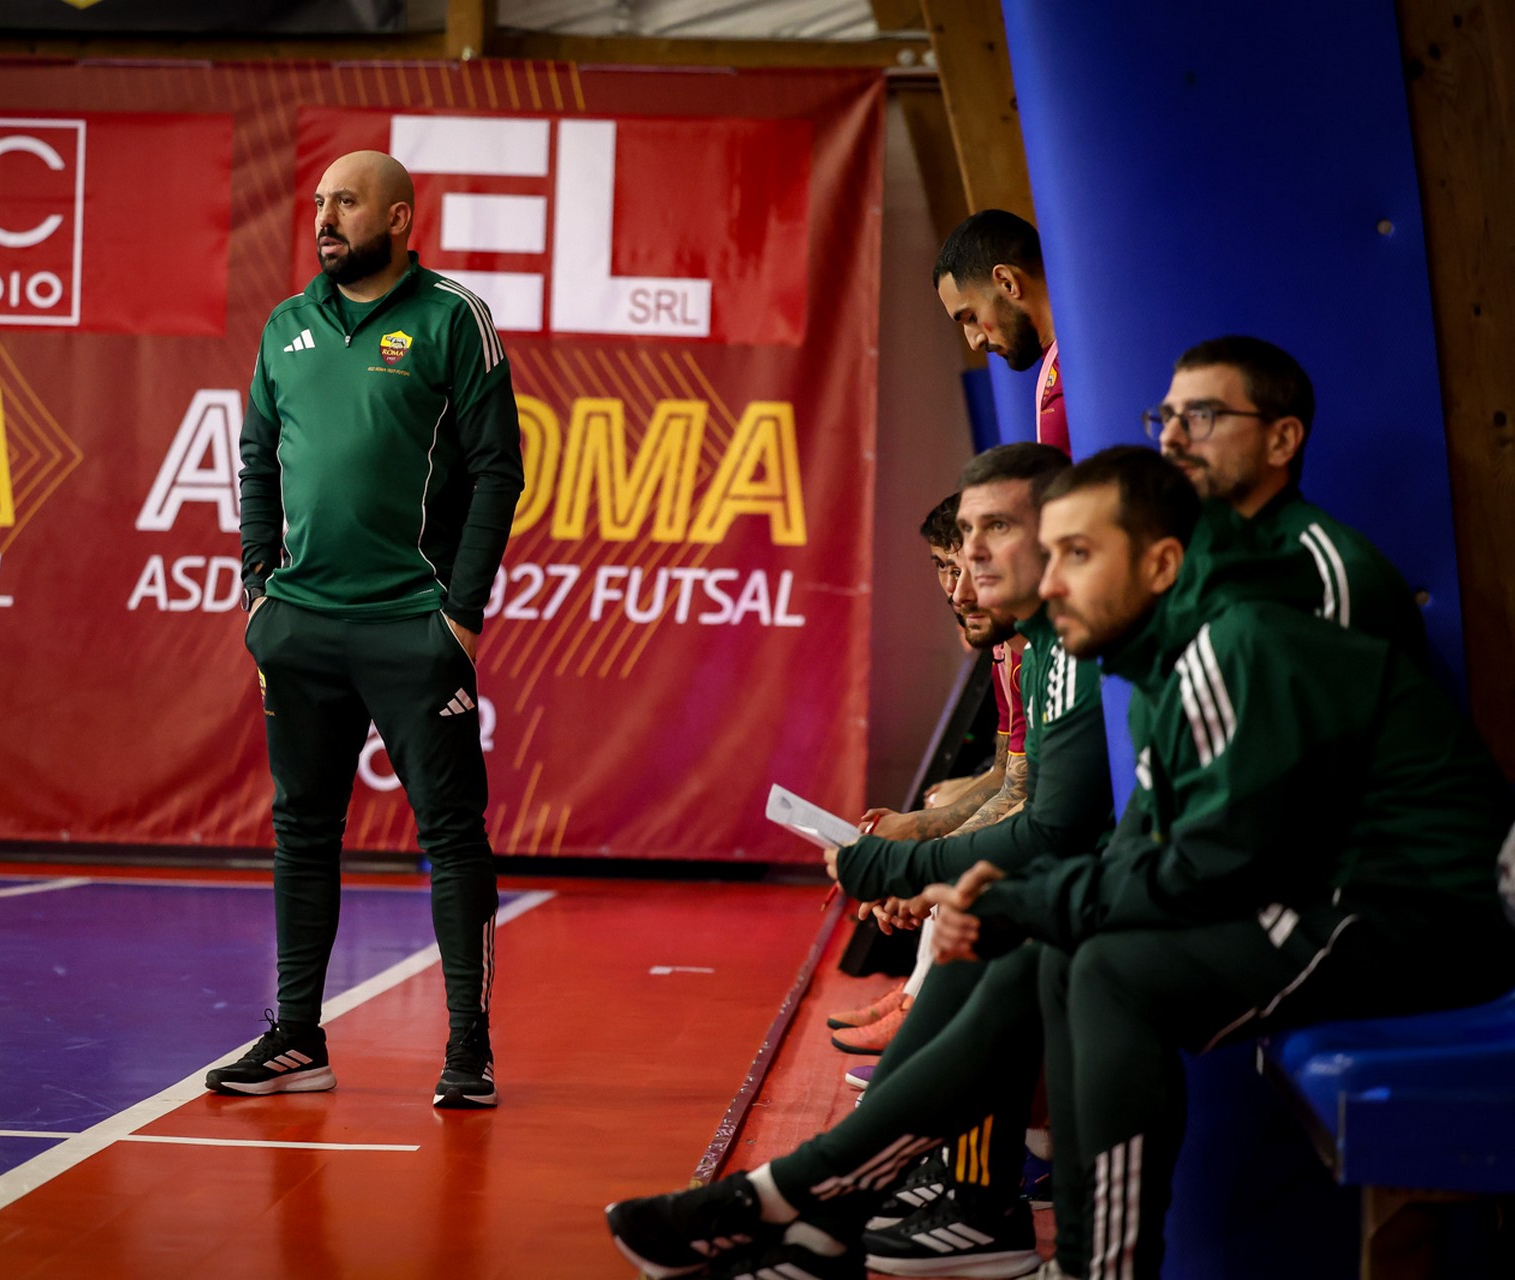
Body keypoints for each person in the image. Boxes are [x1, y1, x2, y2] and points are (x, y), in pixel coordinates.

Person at [602, 449, 1514, 1280]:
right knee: (1051, 946)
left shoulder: (1230, 644)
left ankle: (856, 1211)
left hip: (1430, 918)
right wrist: (1021, 900)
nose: (1048, 578)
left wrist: (1020, 895)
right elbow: (1159, 854)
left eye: (1076, 554)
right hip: (1333, 899)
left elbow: (1200, 870)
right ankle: (827, 1206)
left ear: (1159, 565)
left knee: (1098, 967)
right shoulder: (1160, 663)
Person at [609, 443, 1112, 1280]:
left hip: (1183, 906)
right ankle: (855, 1210)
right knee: (986, 920)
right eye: (966, 535)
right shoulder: (1044, 644)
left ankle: (804, 1200)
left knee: (1002, 924)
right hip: (1120, 883)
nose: (971, 563)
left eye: (997, 529)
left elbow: (1054, 825)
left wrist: (906, 862)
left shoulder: (1078, 643)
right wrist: (920, 854)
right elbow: (1037, 804)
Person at [216, 150, 524, 1109]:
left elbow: (497, 471)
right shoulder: (286, 325)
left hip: (411, 627)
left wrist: (460, 616)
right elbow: (257, 461)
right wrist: (259, 594)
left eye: (346, 202)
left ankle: (468, 1050)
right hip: (300, 628)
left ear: (397, 217)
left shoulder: (452, 318)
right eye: (319, 202)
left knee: (452, 834)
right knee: (301, 832)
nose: (324, 218)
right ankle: (296, 1041)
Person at [829, 494, 1029, 1054]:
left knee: (959, 865)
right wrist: (918, 835)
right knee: (941, 818)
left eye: (971, 569)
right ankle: (919, 1001)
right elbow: (1011, 773)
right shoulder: (1010, 653)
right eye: (944, 568)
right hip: (1047, 828)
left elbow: (1038, 803)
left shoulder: (1042, 654)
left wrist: (922, 852)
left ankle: (925, 1019)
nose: (956, 591)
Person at [1146, 334, 1423, 649]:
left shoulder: (1332, 577)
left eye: (1201, 415)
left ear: (1281, 441)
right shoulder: (1170, 562)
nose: (1169, 437)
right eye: (1167, 417)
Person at [934, 210, 1068, 454]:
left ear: (1007, 282)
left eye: (971, 317)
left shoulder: (1084, 360)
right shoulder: (1053, 365)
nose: (974, 342)